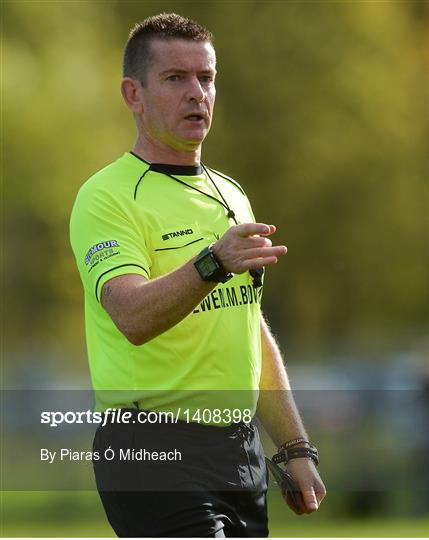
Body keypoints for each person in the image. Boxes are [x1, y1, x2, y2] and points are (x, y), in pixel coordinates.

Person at [70, 12, 326, 538]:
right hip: (150, 446)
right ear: (132, 94)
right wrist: (213, 262)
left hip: (238, 450)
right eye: (175, 78)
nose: (196, 93)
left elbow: (250, 329)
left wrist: (295, 446)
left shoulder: (231, 194)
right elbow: (131, 315)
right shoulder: (107, 196)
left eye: (205, 78)